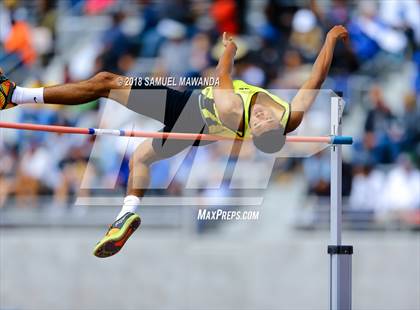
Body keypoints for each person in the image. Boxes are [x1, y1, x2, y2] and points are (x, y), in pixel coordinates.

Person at [0, 26, 349, 258]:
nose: (260, 119)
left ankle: (15, 95)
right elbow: (316, 77)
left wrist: (228, 48)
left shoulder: (232, 109)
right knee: (142, 157)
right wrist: (330, 39)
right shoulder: (293, 115)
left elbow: (222, 75)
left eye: (255, 125)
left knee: (107, 82)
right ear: (278, 126)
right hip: (197, 133)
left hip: (191, 110)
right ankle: (126, 215)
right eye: (262, 121)